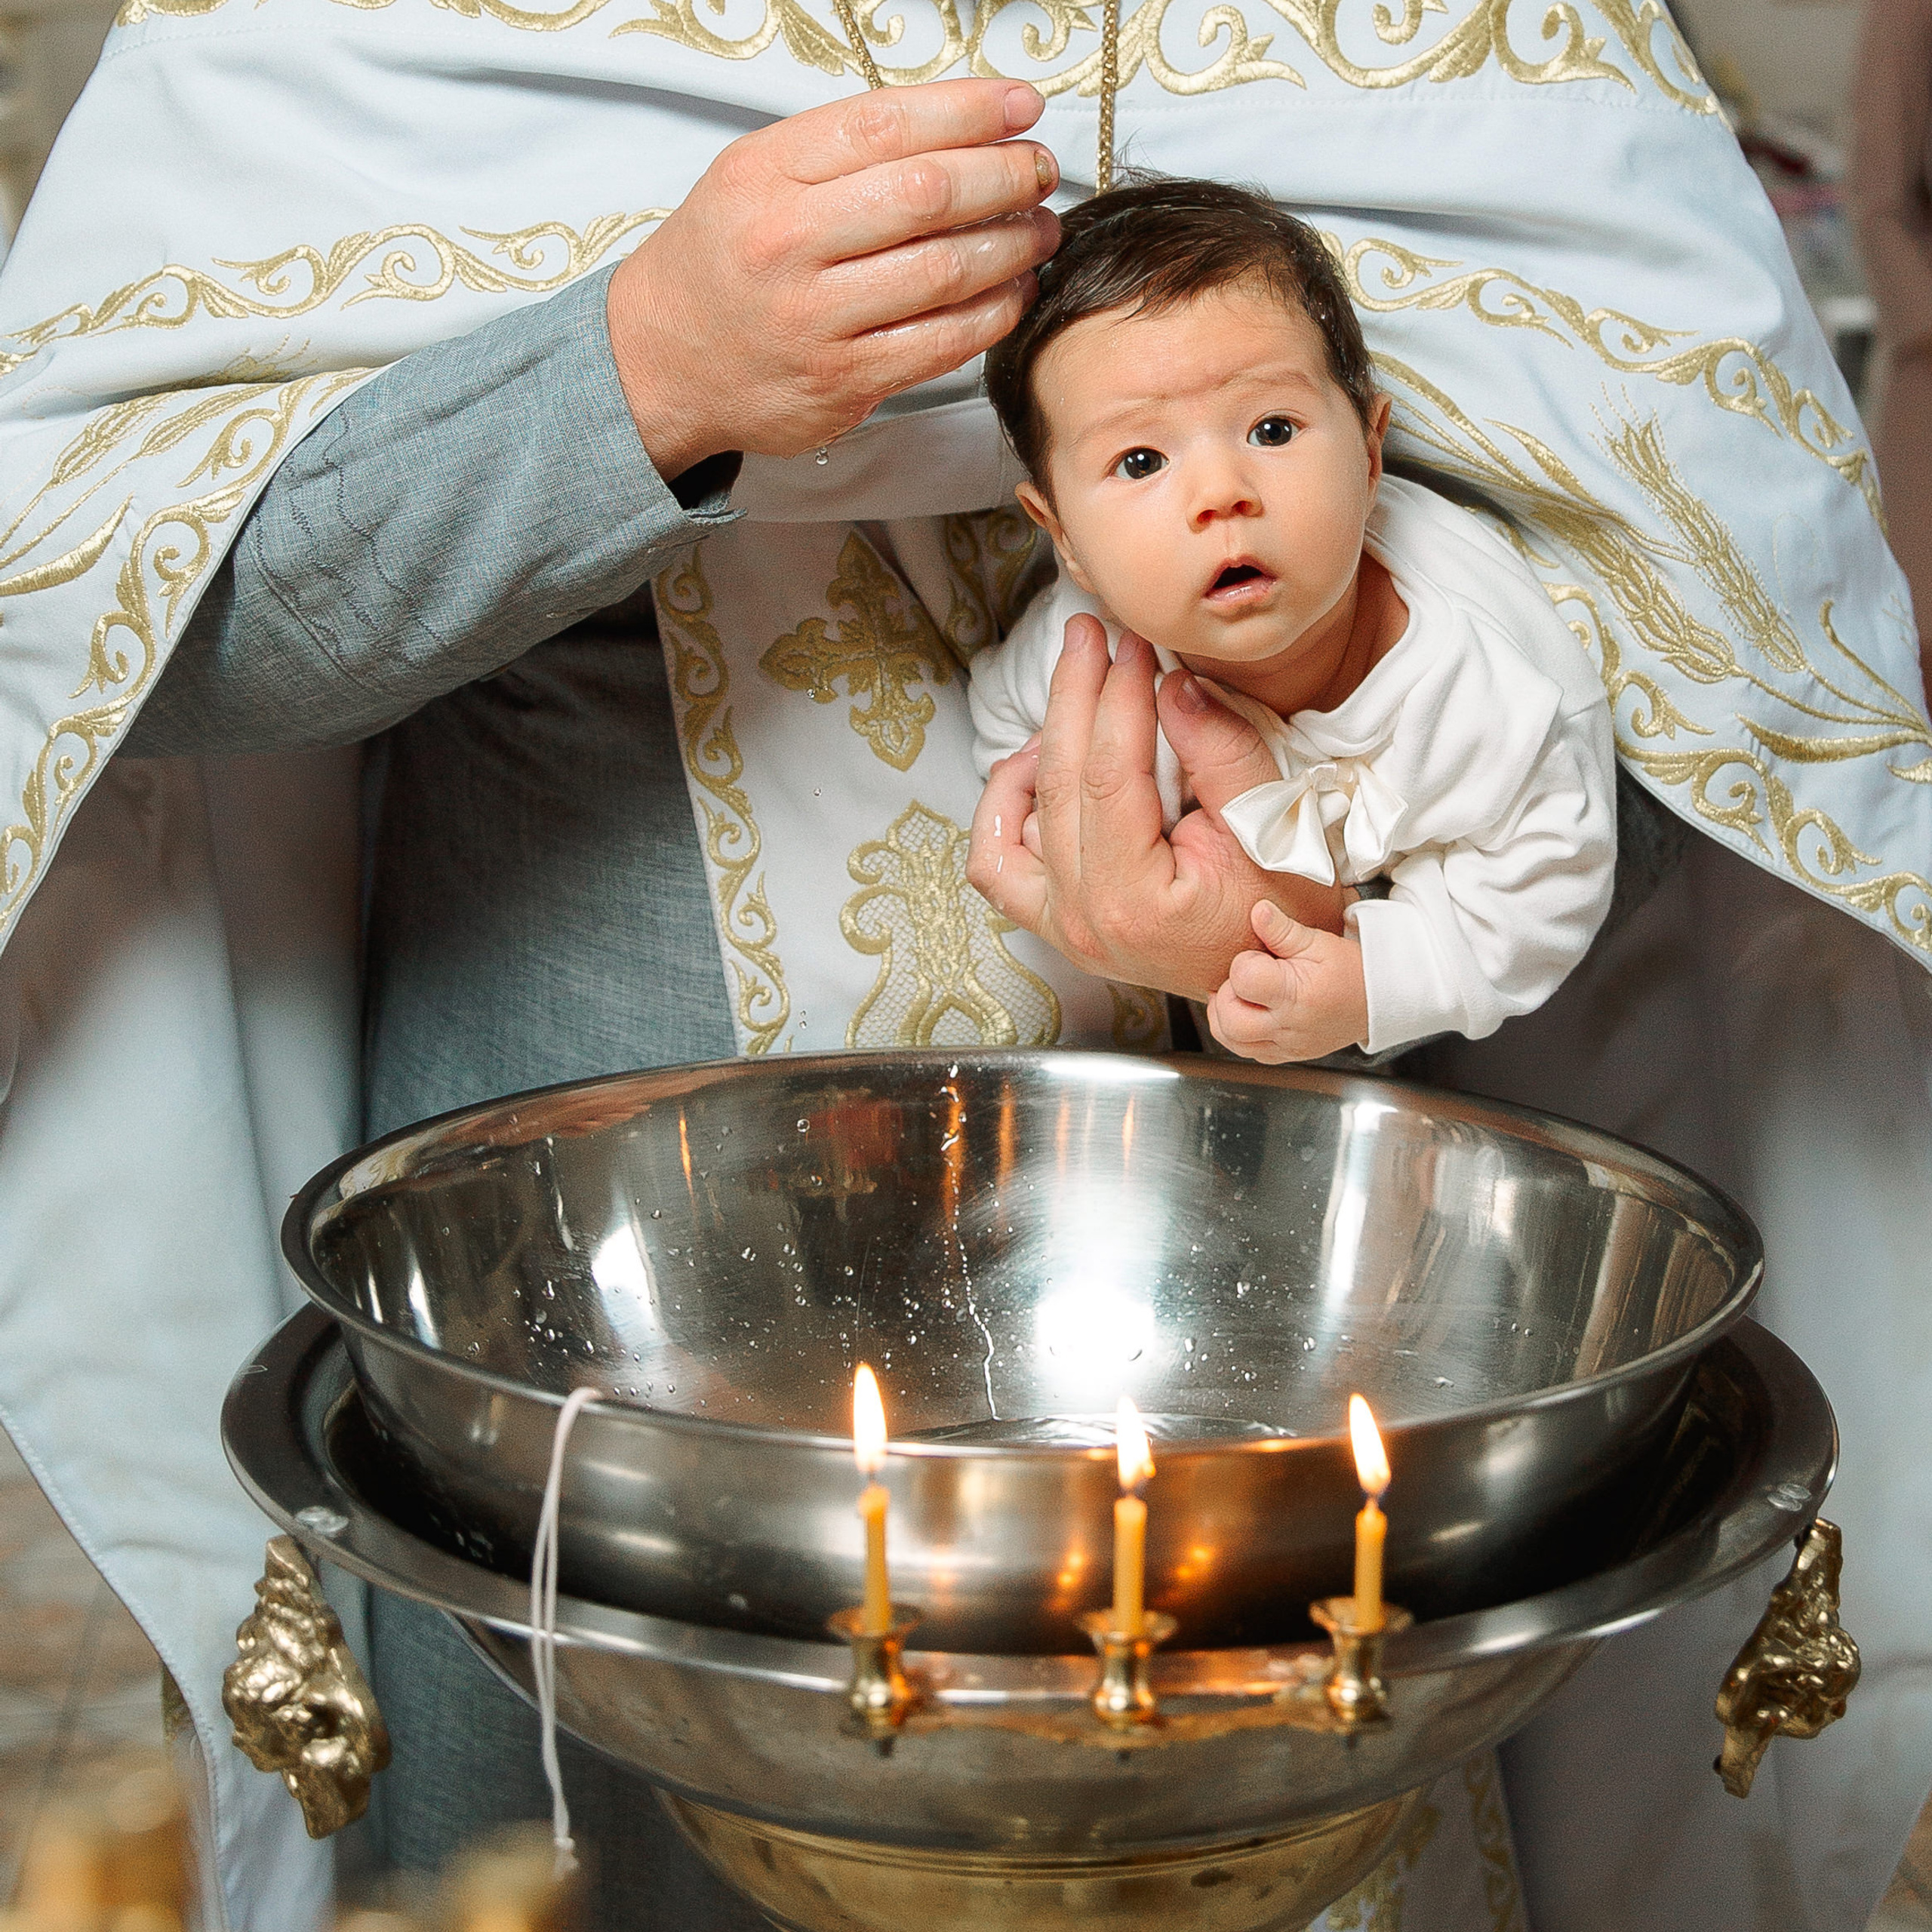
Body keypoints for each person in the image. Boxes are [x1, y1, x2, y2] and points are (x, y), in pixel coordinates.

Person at [0, 7, 1926, 1930]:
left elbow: (1724, 715)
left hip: (1292, 1384)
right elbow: (122, 643)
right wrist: (636, 368)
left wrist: (1314, 921)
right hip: (594, 1389)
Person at [969, 179, 1616, 1063]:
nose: (1220, 493)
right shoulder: (1083, 650)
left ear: (1370, 452)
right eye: (1141, 458)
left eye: (1272, 429)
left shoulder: (1485, 692)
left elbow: (1543, 892)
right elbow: (1007, 730)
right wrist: (1067, 830)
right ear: (1066, 540)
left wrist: (1371, 987)